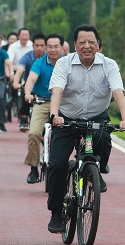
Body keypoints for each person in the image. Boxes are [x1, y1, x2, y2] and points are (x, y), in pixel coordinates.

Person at [46, 25, 125, 233]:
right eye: (82, 42)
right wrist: (55, 116)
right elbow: (57, 92)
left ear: (99, 45)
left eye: (91, 42)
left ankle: (96, 170)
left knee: (104, 139)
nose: (86, 46)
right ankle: (56, 212)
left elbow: (118, 92)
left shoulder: (109, 65)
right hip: (67, 118)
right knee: (56, 164)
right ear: (74, 46)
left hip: (96, 116)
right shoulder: (64, 63)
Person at [22, 33, 64, 184]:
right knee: (33, 133)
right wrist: (27, 93)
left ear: (62, 48)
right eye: (50, 47)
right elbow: (31, 79)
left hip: (63, 104)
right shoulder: (39, 63)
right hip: (42, 102)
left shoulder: (68, 62)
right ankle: (34, 168)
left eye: (56, 47)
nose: (53, 50)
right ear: (46, 48)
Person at [12, 34, 46, 131]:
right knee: (25, 95)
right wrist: (15, 82)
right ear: (33, 46)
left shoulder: (49, 57)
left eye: (42, 45)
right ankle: (23, 118)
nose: (39, 48)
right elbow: (19, 71)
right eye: (37, 45)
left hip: (45, 88)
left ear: (45, 46)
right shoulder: (27, 57)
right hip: (30, 86)